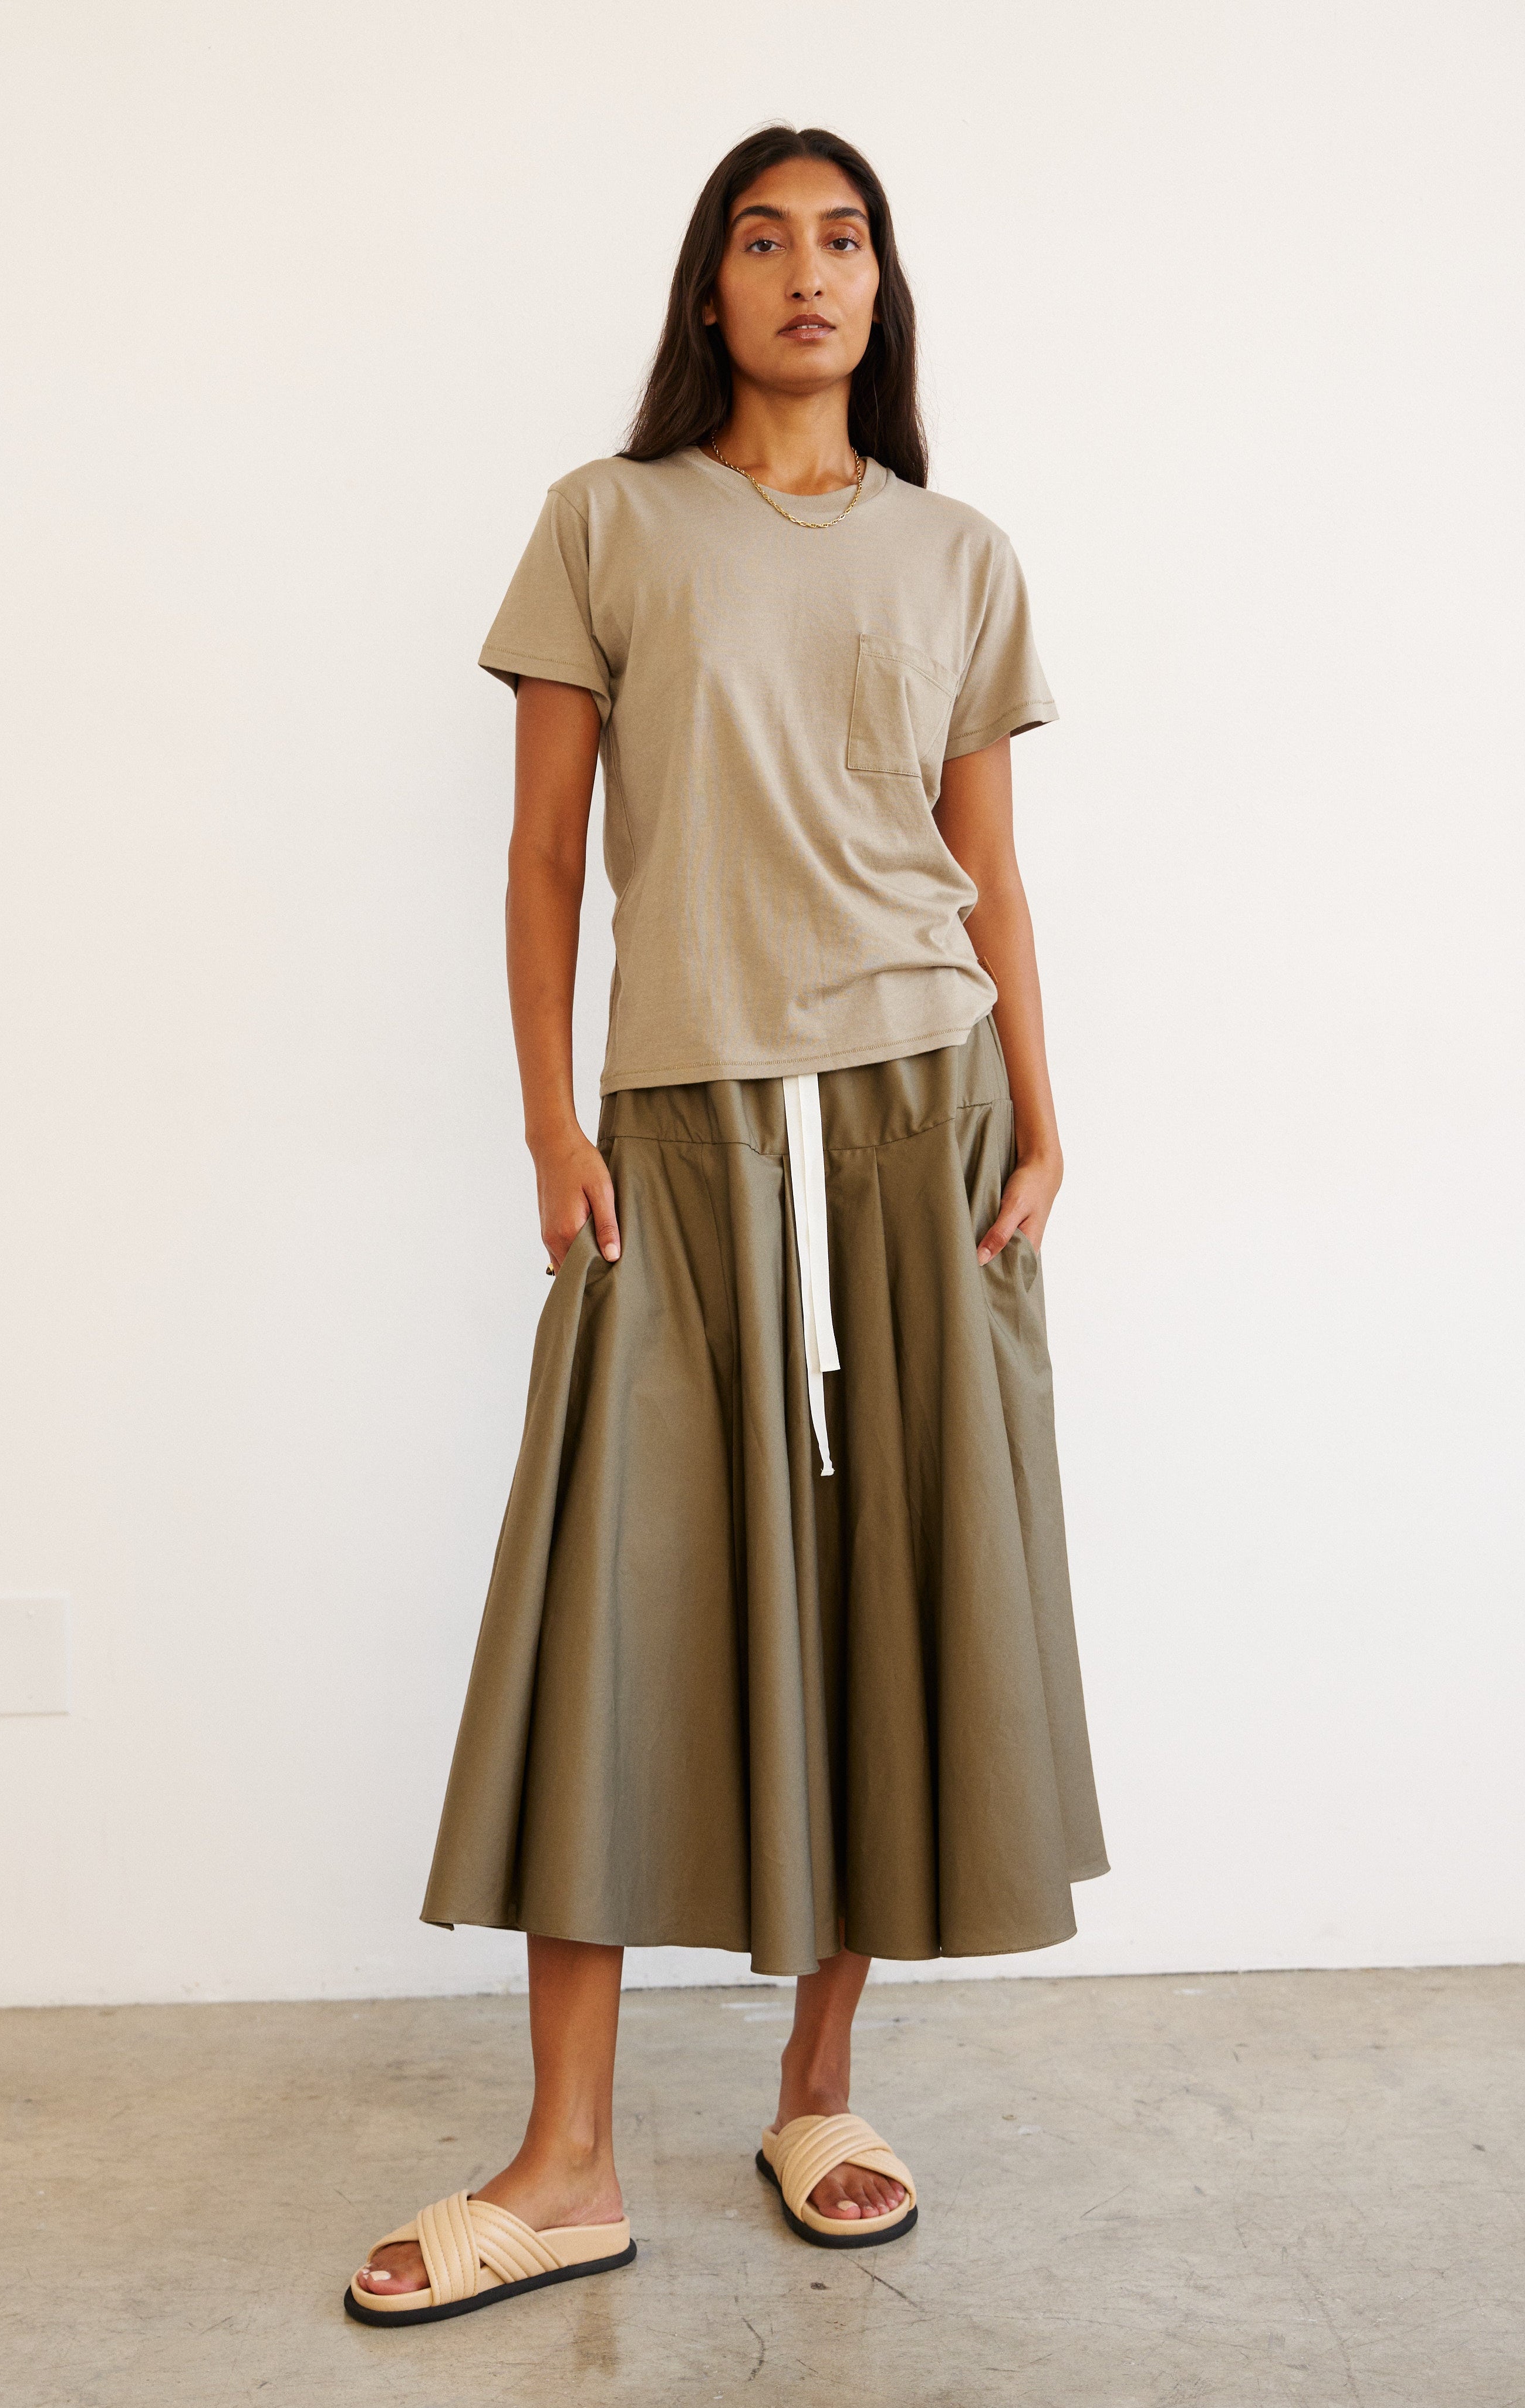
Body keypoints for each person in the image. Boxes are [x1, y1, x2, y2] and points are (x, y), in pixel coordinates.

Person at [345, 120, 1108, 2330]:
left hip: (927, 1113)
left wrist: (1047, 1117)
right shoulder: (607, 521)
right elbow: (540, 859)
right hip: (677, 1127)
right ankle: (567, 2159)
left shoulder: (960, 553)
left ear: (883, 287)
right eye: (764, 240)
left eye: (843, 240)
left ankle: (820, 2089)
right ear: (711, 288)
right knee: (607, 1597)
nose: (806, 273)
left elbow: (990, 872)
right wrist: (546, 1123)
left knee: (889, 1586)